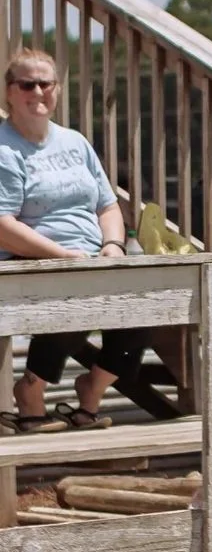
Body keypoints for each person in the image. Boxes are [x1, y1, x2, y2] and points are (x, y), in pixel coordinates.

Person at [0, 48, 146, 434]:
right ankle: (31, 389)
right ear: (9, 92)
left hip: (91, 255)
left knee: (149, 299)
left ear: (57, 90)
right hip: (26, 256)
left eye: (45, 83)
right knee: (76, 290)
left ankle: (92, 389)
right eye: (26, 84)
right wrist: (63, 254)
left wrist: (113, 245)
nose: (38, 91)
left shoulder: (75, 142)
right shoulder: (4, 147)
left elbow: (108, 205)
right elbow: (2, 224)